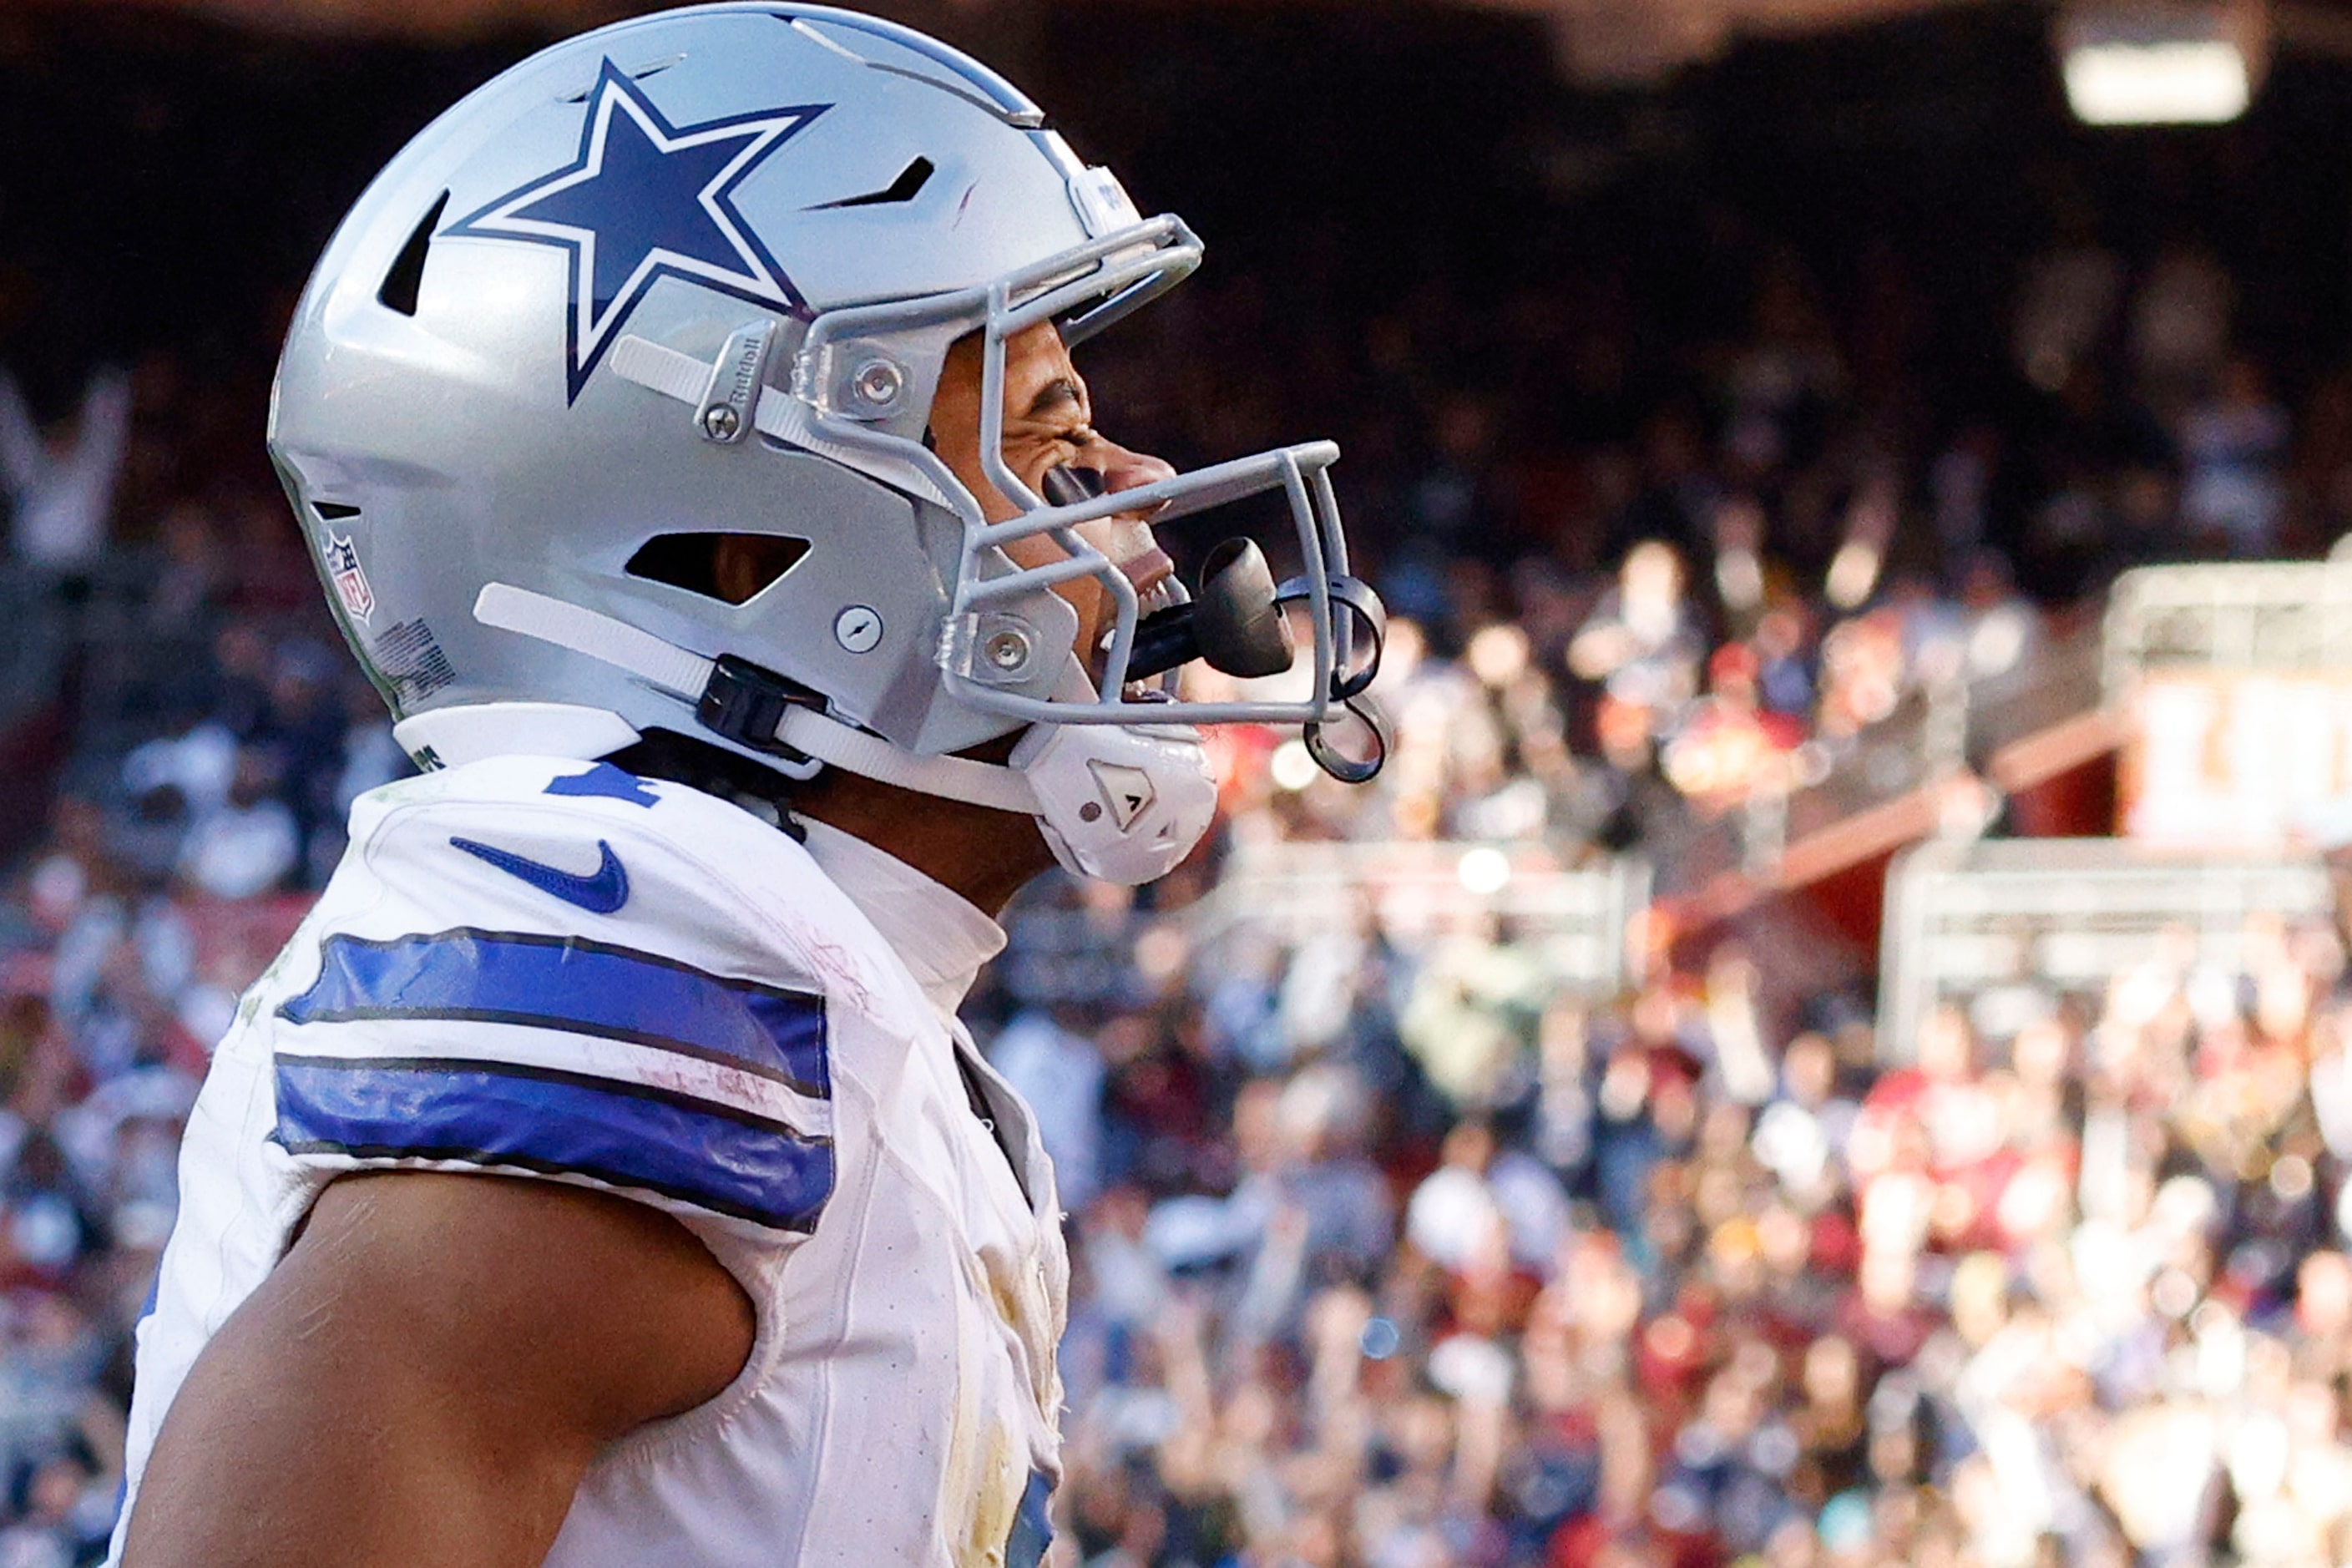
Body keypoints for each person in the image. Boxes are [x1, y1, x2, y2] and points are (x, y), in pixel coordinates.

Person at [104, 7, 1383, 1565]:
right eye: (1041, 435)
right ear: (738, 557)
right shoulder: (646, 966)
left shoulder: (823, 978)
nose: (1125, 493)